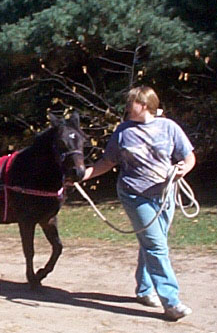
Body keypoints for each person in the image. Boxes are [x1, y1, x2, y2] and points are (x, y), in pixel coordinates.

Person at [82, 86, 196, 321]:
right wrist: (83, 175)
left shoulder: (169, 127)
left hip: (165, 194)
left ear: (144, 105)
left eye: (131, 102)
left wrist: (184, 169)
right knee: (156, 245)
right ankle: (171, 302)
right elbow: (108, 161)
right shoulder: (123, 132)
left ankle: (144, 291)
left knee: (154, 242)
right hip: (134, 195)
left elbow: (189, 155)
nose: (126, 107)